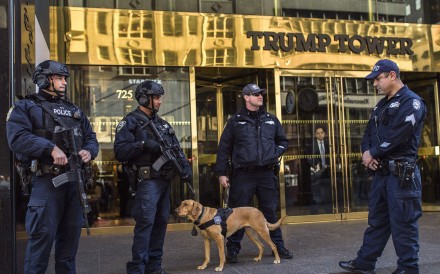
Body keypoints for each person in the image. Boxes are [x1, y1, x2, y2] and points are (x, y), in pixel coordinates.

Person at [6, 60, 99, 274]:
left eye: (65, 78)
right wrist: (49, 148)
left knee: (68, 248)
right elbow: (17, 138)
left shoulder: (74, 110)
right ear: (44, 79)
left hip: (74, 184)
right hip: (47, 183)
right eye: (59, 78)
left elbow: (91, 137)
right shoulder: (26, 106)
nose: (64, 82)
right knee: (40, 244)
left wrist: (89, 151)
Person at [339, 59, 427, 274]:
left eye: (378, 79)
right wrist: (366, 153)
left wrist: (374, 152)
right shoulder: (382, 104)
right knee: (377, 221)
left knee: (404, 223)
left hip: (401, 174)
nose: (374, 84)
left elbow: (400, 134)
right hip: (382, 173)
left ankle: (408, 268)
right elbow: (370, 132)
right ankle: (365, 262)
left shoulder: (412, 102)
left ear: (392, 76)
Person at [114, 80, 192, 274]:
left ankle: (154, 267)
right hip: (147, 182)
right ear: (143, 98)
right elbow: (120, 151)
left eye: (159, 98)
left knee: (160, 223)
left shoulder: (163, 124)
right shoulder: (130, 121)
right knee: (146, 223)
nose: (159, 102)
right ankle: (137, 268)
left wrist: (185, 167)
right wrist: (142, 144)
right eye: (156, 98)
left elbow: (176, 148)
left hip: (164, 181)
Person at [215, 83, 293, 263]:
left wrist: (275, 152)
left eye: (261, 94)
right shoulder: (235, 121)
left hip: (266, 173)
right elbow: (224, 149)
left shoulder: (271, 119)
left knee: (270, 212)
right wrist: (221, 173)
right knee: (237, 214)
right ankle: (233, 250)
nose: (260, 96)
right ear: (246, 97)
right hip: (243, 174)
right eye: (256, 94)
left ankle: (278, 247)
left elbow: (283, 141)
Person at [307, 126, 331, 213]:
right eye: (318, 133)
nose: (320, 135)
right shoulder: (311, 145)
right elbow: (308, 158)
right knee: (316, 191)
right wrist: (315, 167)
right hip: (316, 172)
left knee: (327, 191)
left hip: (327, 171)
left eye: (321, 133)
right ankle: (315, 210)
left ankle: (328, 209)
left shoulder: (329, 144)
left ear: (324, 134)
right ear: (315, 134)